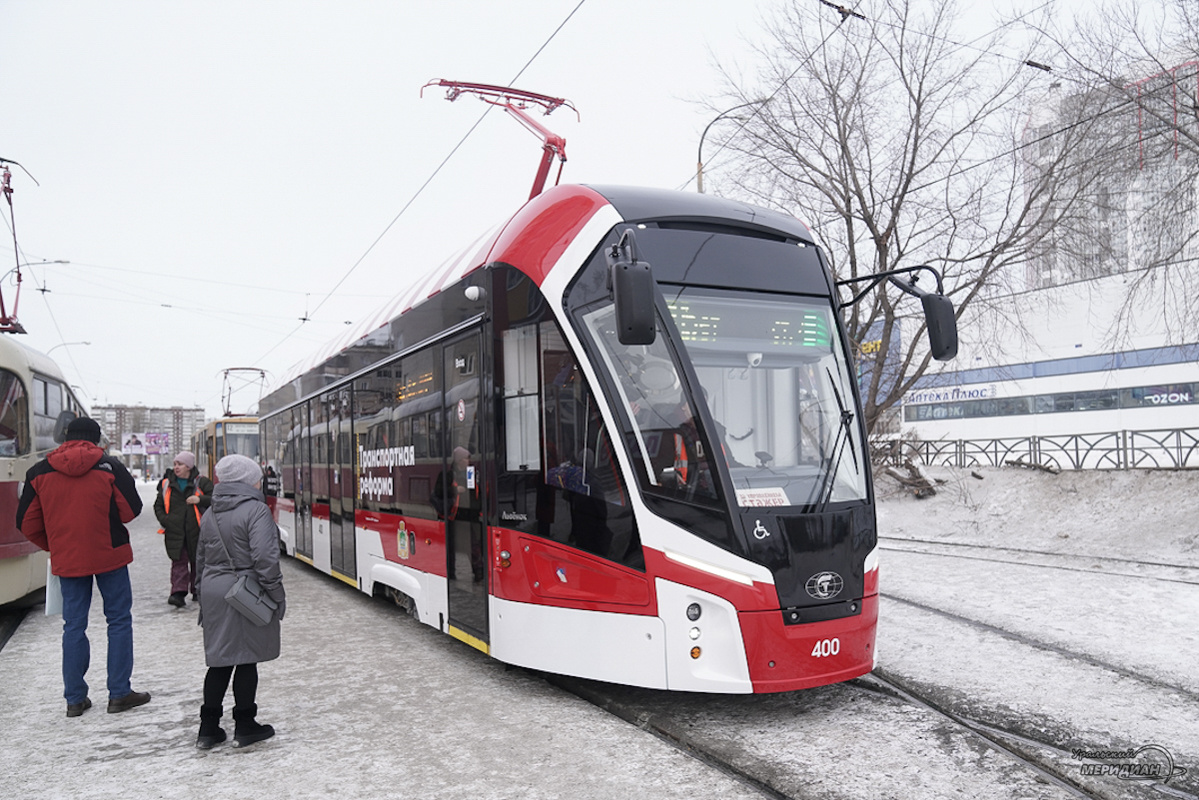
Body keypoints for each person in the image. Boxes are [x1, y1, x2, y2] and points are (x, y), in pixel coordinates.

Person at [14, 416, 149, 717]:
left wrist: (56, 543)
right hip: (110, 555)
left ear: (65, 437)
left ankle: (75, 699)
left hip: (69, 559)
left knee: (73, 625)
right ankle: (119, 693)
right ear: (96, 438)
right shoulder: (109, 466)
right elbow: (132, 510)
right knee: (118, 621)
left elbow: (25, 522)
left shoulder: (39, 471)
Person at [194, 453, 284, 749]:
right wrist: (276, 594)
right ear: (248, 480)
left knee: (220, 660)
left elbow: (201, 559)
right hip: (245, 591)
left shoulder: (210, 512)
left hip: (213, 589)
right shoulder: (255, 511)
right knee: (246, 658)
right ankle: (245, 724)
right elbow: (265, 559)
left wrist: (202, 598)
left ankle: (208, 728)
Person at [153, 451, 212, 608]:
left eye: (180, 464)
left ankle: (197, 589)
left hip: (197, 530)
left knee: (197, 561)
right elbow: (158, 505)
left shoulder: (202, 482)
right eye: (175, 464)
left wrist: (200, 499)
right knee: (178, 561)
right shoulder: (167, 484)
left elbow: (216, 499)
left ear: (189, 466)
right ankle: (177, 593)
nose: (176, 467)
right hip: (175, 531)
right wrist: (165, 520)